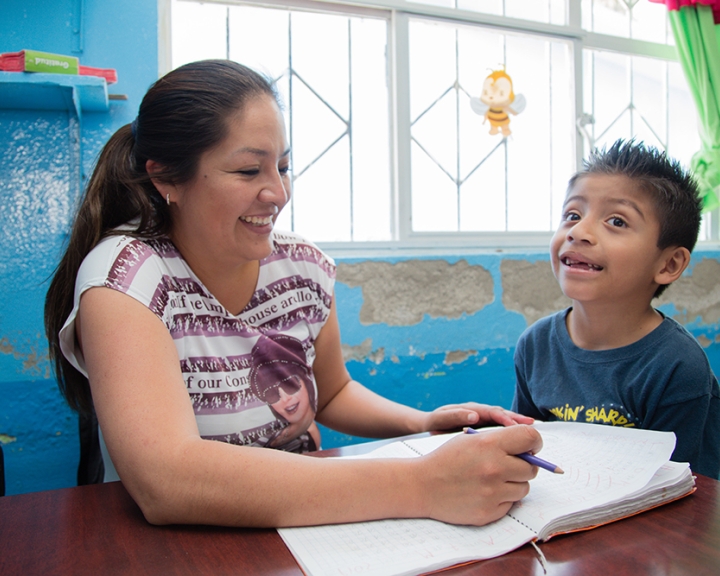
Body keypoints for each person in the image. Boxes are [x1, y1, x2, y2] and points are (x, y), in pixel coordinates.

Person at [44, 59, 542, 528]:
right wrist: (422, 484)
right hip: (188, 545)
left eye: (282, 167)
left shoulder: (300, 267)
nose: (278, 194)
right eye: (247, 171)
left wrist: (424, 423)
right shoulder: (126, 280)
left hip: (304, 524)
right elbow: (167, 481)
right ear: (165, 178)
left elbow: (334, 391)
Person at [512, 139, 720, 478]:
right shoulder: (535, 346)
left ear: (668, 264)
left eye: (617, 222)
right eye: (572, 215)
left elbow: (682, 492)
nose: (579, 231)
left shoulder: (677, 367)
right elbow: (529, 453)